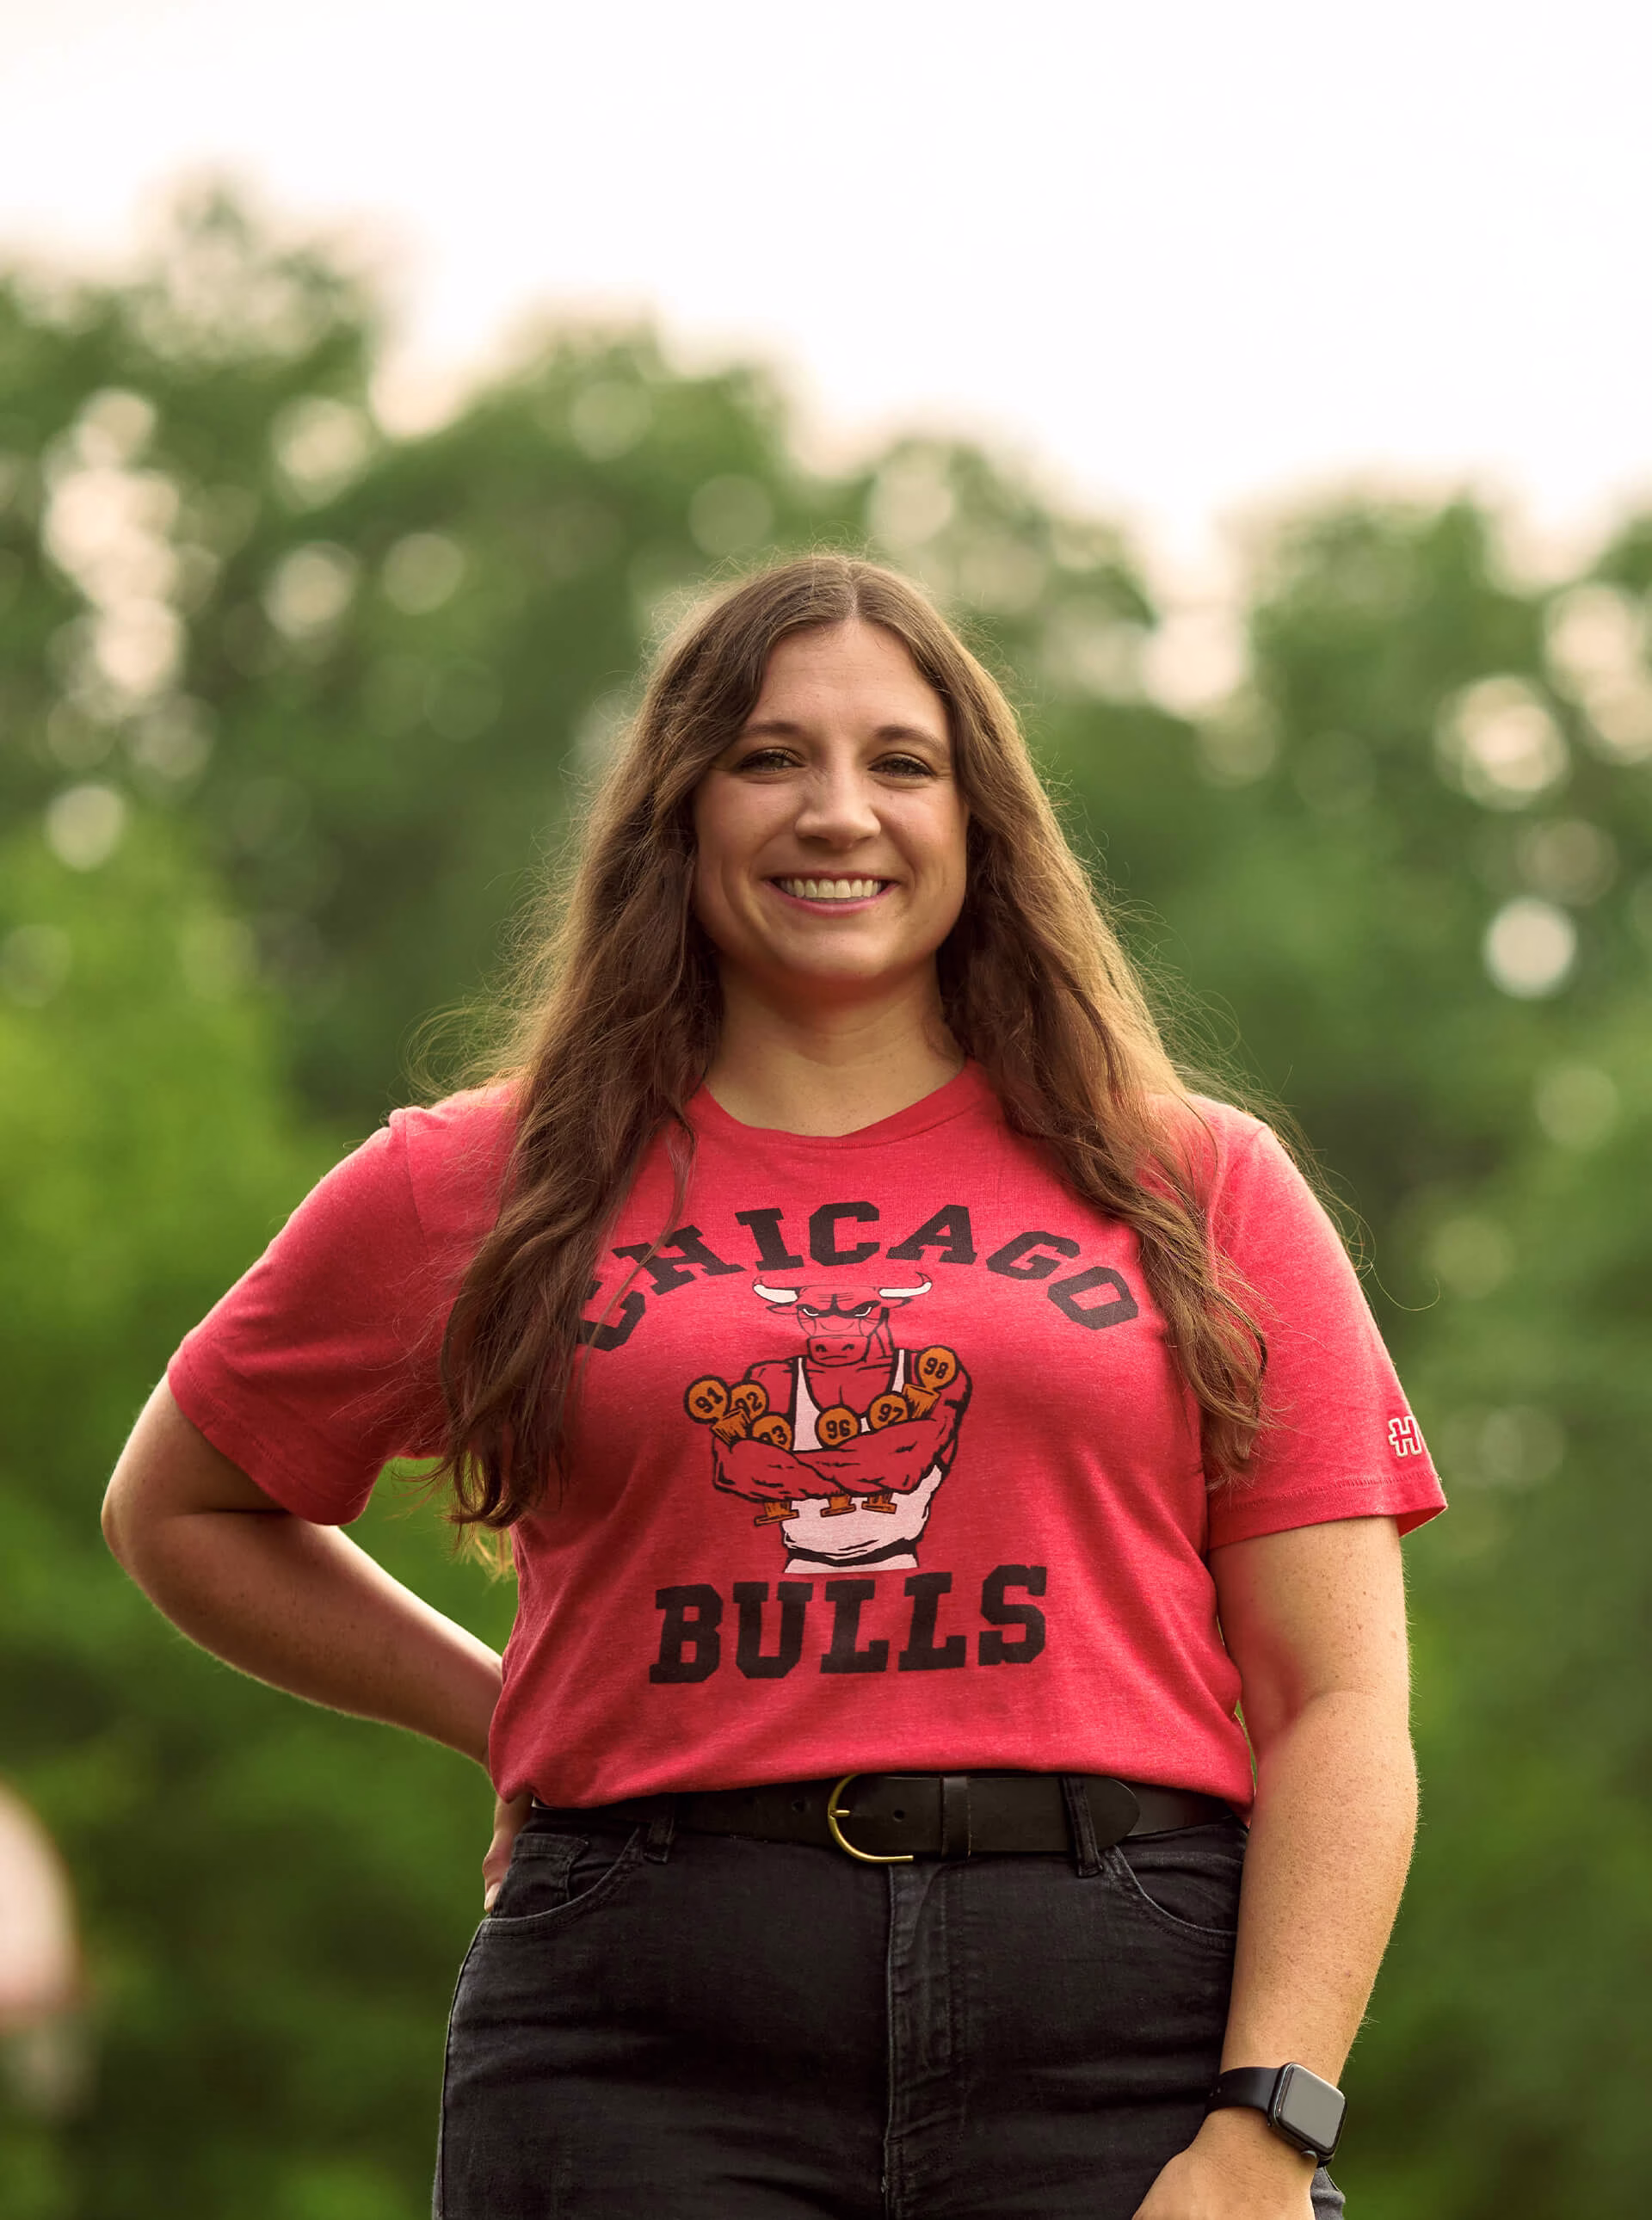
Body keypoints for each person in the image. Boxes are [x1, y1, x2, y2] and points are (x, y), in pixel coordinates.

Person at [102, 554, 1445, 2220]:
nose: (836, 812)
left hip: (1125, 2051)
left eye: (899, 762)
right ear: (680, 807)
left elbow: (1338, 1708)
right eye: (766, 758)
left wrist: (1267, 2125)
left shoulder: (1200, 1183)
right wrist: (495, 1713)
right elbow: (180, 1504)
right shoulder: (482, 1181)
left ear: (981, 822)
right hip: (637, 2047)